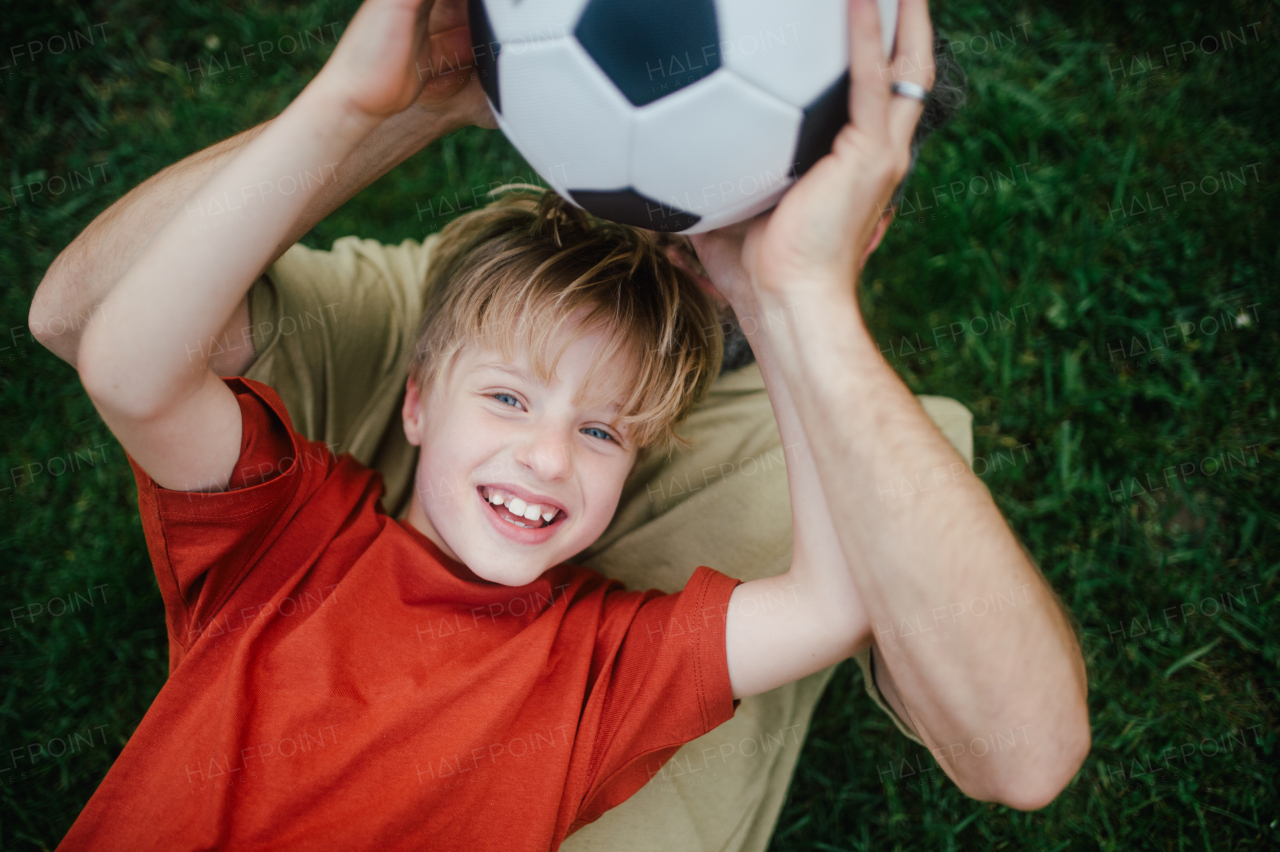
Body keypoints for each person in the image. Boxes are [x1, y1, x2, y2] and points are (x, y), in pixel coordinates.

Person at [31, 0, 1090, 849]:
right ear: (421, 392)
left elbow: (1022, 754)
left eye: (602, 430)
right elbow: (98, 339)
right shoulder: (451, 339)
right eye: (507, 399)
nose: (545, 451)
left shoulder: (607, 658)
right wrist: (377, 107)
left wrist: (791, 303)